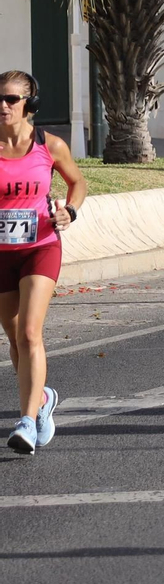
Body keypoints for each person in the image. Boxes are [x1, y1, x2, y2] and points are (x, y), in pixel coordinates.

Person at [1, 71, 86, 454]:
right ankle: (43, 400)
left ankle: (26, 422)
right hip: (2, 255)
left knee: (30, 333)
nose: (3, 106)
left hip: (41, 246)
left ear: (29, 106)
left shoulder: (50, 146)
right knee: (15, 339)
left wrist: (69, 210)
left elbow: (78, 183)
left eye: (11, 99)